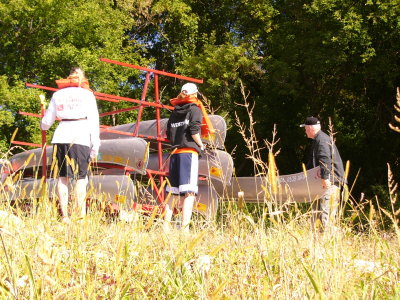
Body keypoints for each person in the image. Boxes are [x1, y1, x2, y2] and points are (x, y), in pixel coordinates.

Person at [41, 67, 100, 223]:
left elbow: (46, 122)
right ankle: (80, 215)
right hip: (80, 136)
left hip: (61, 136)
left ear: (69, 78)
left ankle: (65, 216)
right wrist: (96, 144)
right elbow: (94, 121)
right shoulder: (87, 94)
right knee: (81, 178)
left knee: (62, 178)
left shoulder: (58, 94)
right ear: (82, 78)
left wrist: (43, 124)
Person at [164, 83, 206, 232]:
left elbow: (169, 133)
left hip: (174, 154)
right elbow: (194, 131)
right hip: (188, 153)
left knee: (173, 192)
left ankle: (165, 227)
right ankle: (185, 229)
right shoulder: (195, 109)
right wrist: (201, 145)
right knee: (189, 192)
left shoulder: (175, 111)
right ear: (195, 94)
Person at [300, 116, 345, 230]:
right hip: (321, 184)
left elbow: (325, 159)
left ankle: (328, 244)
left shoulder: (322, 140)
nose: (305, 131)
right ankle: (318, 245)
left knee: (326, 217)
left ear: (310, 128)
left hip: (329, 183)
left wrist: (325, 178)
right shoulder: (318, 139)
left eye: (305, 128)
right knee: (317, 217)